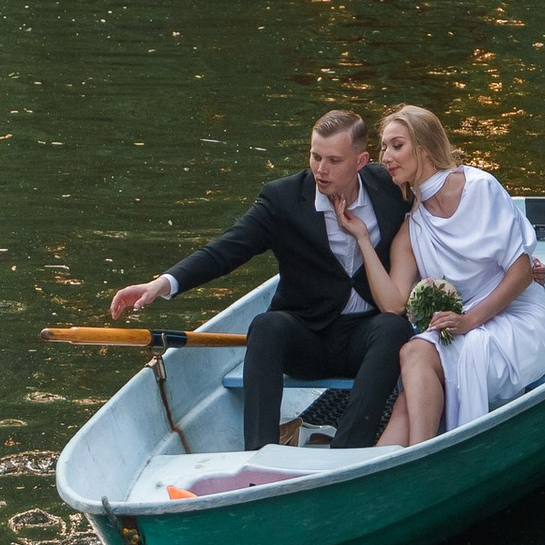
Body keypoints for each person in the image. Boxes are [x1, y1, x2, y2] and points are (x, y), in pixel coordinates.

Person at [108, 110, 412, 451]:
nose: (320, 170)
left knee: (394, 328)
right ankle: (258, 452)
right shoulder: (282, 200)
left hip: (364, 337)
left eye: (333, 160)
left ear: (361, 161)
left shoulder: (388, 187)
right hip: (307, 338)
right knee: (266, 326)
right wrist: (162, 284)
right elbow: (225, 251)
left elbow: (435, 196)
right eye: (315, 156)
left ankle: (348, 449)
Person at [330, 104, 545, 448]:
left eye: (397, 145)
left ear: (423, 147)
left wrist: (468, 320)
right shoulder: (412, 228)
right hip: (459, 328)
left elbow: (522, 270)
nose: (386, 156)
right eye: (383, 147)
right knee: (412, 365)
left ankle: (417, 461)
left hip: (515, 322)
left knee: (419, 366)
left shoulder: (480, 189)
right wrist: (362, 237)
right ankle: (397, 464)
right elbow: (393, 304)